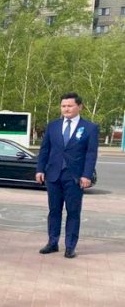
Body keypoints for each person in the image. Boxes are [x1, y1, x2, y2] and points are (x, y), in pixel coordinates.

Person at [35, 92, 99, 259]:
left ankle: (70, 246)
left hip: (75, 177)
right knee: (54, 211)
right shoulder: (53, 126)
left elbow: (91, 154)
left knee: (73, 212)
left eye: (70, 106)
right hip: (53, 176)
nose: (66, 109)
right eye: (63, 106)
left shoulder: (90, 128)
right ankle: (52, 242)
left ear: (79, 107)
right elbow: (44, 150)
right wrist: (40, 169)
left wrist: (87, 175)